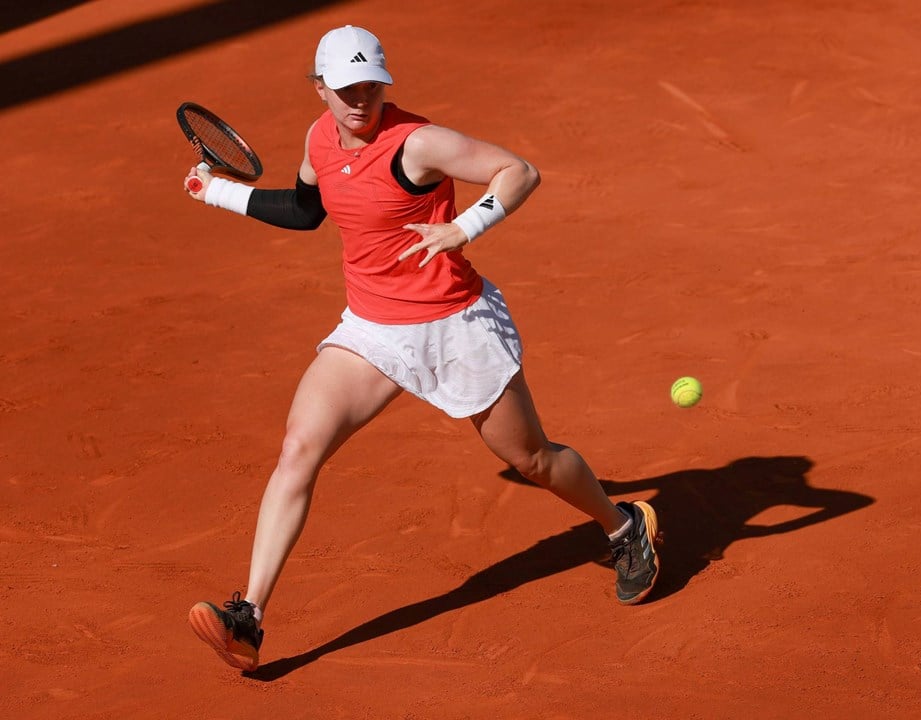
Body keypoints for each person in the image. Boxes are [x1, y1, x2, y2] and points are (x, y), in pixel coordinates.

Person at [183, 25, 661, 672]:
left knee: (534, 460)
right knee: (299, 447)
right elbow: (305, 211)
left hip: (455, 326)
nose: (360, 99)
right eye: (346, 88)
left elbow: (519, 171)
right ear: (319, 88)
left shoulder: (419, 143)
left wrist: (464, 227)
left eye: (371, 86)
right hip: (372, 330)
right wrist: (216, 192)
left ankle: (624, 525)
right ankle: (250, 617)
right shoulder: (318, 138)